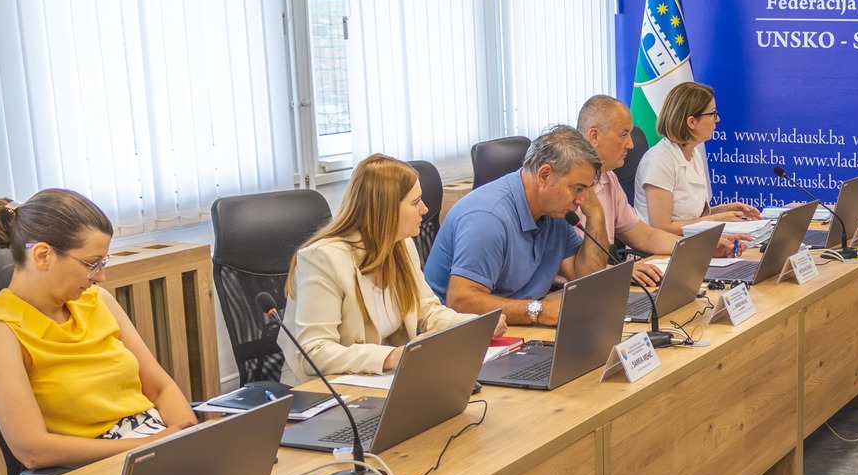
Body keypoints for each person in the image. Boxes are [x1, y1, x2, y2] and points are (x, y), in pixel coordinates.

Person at [0, 189, 197, 470]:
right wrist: (149, 446)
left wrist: (189, 437)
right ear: (43, 255)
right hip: (99, 464)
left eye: (103, 263)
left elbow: (161, 388)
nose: (101, 276)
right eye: (92, 264)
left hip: (154, 441)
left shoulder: (98, 300)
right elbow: (32, 450)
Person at [282, 154, 480, 382]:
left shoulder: (401, 245)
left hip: (379, 381)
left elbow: (427, 311)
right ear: (386, 209)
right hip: (323, 389)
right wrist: (390, 357)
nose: (425, 209)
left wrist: (474, 325)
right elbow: (314, 352)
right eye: (415, 202)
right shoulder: (323, 259)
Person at [424, 125, 602, 328]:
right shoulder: (488, 218)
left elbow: (586, 279)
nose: (582, 200)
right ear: (544, 175)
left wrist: (596, 215)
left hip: (516, 327)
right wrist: (539, 311)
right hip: (463, 334)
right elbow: (460, 302)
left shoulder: (554, 211)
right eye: (577, 189)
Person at [575, 96, 746, 287]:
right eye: (623, 135)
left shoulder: (609, 178)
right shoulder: (566, 187)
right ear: (594, 137)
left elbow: (646, 236)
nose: (631, 144)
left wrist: (703, 248)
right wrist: (619, 272)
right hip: (575, 289)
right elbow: (570, 267)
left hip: (606, 280)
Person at [632, 82, 761, 237]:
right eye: (713, 113)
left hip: (687, 242)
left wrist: (725, 211)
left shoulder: (693, 154)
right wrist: (715, 219)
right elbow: (661, 228)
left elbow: (691, 217)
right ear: (692, 122)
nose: (717, 119)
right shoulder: (659, 160)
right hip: (659, 249)